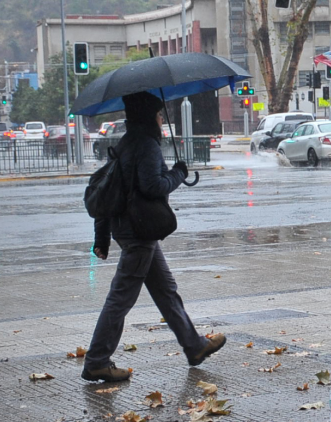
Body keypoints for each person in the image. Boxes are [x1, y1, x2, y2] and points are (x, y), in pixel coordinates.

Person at [83, 91, 226, 382]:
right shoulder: (145, 144)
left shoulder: (127, 142)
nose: (161, 119)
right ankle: (97, 360)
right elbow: (152, 186)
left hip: (131, 229)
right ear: (150, 116)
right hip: (139, 232)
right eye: (159, 114)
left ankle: (194, 346)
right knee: (120, 298)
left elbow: (115, 188)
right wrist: (177, 173)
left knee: (165, 289)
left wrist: (102, 237)